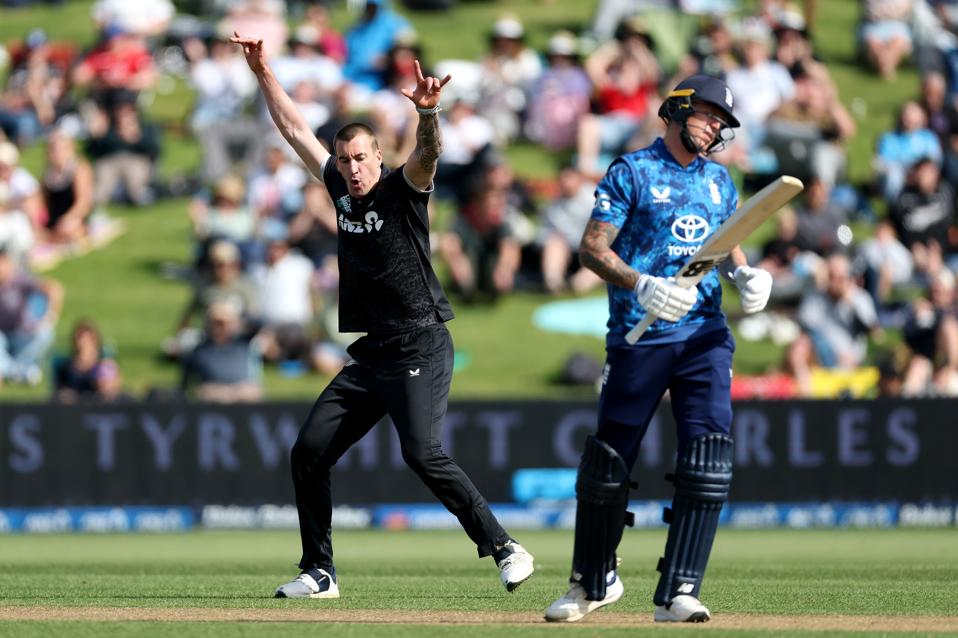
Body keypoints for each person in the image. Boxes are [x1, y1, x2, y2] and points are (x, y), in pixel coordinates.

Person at [231, 32, 534, 600]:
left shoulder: (402, 188)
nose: (351, 169)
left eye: (361, 158)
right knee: (309, 450)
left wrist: (428, 114)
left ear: (377, 156)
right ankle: (319, 572)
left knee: (421, 452)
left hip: (421, 342)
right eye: (344, 160)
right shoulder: (341, 193)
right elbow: (296, 129)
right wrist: (263, 70)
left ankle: (504, 547)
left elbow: (429, 155)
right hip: (375, 352)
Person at [544, 75, 773, 624]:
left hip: (704, 335)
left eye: (724, 121)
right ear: (678, 107)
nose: (718, 126)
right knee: (609, 463)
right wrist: (641, 283)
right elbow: (592, 249)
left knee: (708, 458)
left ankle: (680, 590)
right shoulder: (632, 171)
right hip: (639, 334)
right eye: (711, 113)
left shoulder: (719, 181)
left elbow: (728, 240)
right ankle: (592, 583)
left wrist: (746, 275)